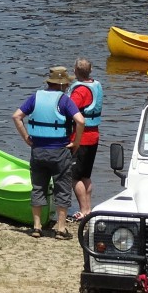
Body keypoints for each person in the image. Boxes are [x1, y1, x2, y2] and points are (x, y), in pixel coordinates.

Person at [12, 65, 85, 238]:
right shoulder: (64, 100)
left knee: (38, 187)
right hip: (60, 151)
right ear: (61, 85)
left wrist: (26, 138)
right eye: (66, 84)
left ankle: (37, 227)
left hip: (38, 150)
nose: (67, 86)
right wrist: (76, 142)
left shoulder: (35, 97)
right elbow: (80, 121)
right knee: (62, 188)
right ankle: (60, 229)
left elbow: (16, 116)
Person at [68, 59, 103, 220]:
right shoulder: (95, 85)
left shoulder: (80, 91)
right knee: (86, 176)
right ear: (91, 70)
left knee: (75, 177)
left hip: (81, 138)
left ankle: (83, 211)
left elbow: (69, 110)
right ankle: (88, 210)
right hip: (94, 136)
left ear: (75, 71)